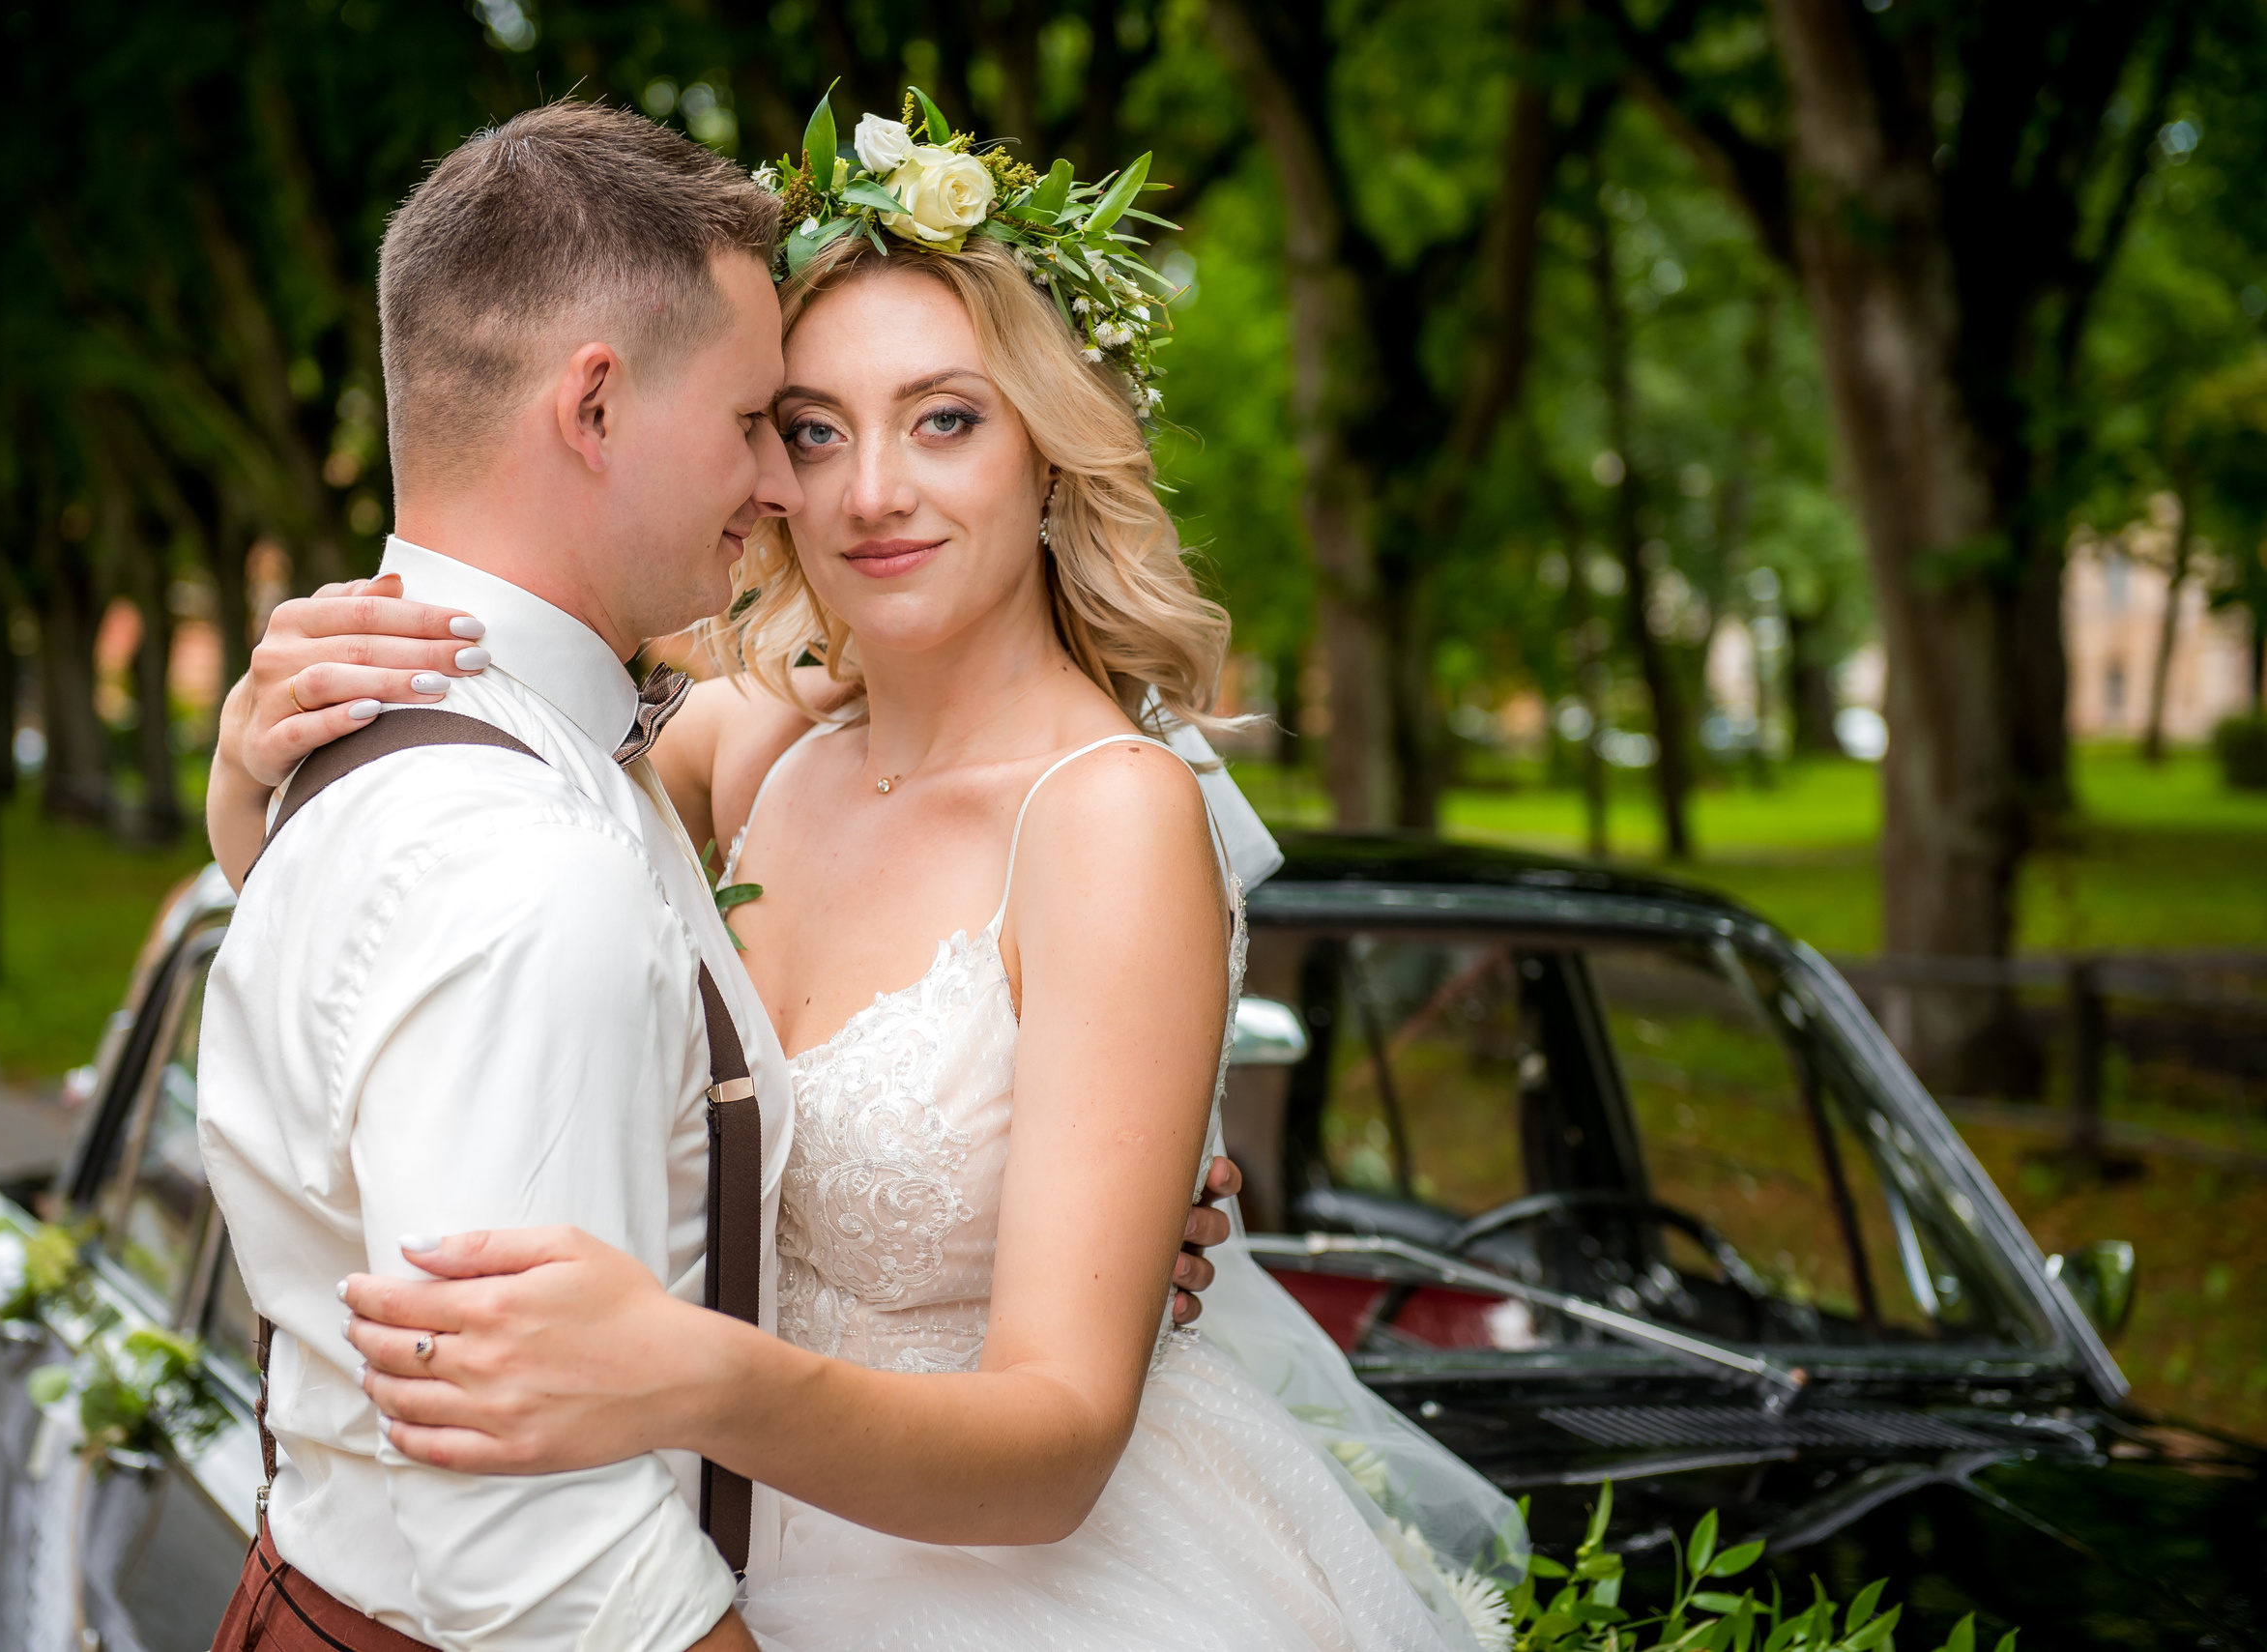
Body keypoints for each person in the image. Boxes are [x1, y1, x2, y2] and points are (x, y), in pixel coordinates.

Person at [209, 99, 1524, 1652]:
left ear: (1052, 448)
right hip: (699, 1554)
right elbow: (436, 926)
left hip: (996, 1577)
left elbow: (1058, 1439)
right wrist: (256, 765)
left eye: (946, 419)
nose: (865, 492)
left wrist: (683, 1370)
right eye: (809, 428)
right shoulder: (754, 743)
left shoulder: (1107, 821)